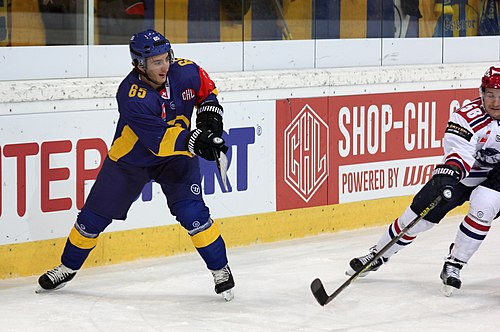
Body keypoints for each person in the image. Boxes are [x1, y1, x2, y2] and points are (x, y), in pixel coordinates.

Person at [36, 29, 235, 301]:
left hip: (176, 160)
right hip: (131, 161)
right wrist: (198, 141)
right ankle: (68, 267)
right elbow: (160, 141)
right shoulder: (130, 95)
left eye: (166, 58)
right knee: (92, 218)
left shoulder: (185, 71)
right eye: (156, 62)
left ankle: (220, 269)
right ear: (140, 64)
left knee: (193, 214)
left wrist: (210, 119)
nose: (164, 65)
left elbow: (206, 91)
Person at [348, 66, 500, 295]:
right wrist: (449, 176)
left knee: (484, 204)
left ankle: (454, 263)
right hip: (466, 174)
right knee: (420, 216)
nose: (495, 102)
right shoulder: (467, 116)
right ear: (481, 93)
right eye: (490, 94)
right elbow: (459, 154)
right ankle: (379, 254)